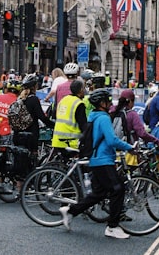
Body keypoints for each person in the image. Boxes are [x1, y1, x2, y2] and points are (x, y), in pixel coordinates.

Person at [59, 88, 136, 239]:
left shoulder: (93, 116)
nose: (109, 103)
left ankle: (70, 211)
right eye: (107, 101)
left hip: (96, 159)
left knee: (98, 194)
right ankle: (112, 227)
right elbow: (111, 140)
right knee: (118, 189)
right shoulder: (103, 118)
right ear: (101, 103)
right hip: (103, 160)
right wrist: (130, 148)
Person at [51, 79, 88, 155]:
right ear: (80, 90)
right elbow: (83, 125)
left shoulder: (63, 100)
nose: (85, 90)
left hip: (57, 140)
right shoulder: (79, 103)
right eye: (84, 88)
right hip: (71, 141)